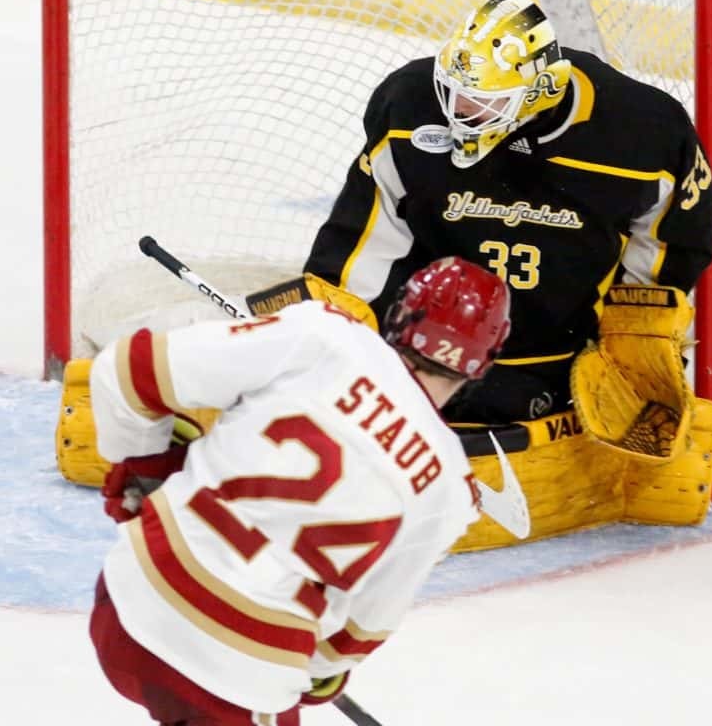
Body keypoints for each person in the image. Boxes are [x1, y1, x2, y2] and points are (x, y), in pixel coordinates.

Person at [87, 256, 510, 725]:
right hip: (234, 677)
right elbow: (357, 633)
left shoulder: (324, 334)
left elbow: (125, 372)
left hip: (126, 606)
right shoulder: (449, 489)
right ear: (484, 363)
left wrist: (145, 468)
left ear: (400, 312)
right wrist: (319, 673)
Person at [301, 0, 712, 428]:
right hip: (416, 352)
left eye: (482, 100)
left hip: (558, 368)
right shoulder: (409, 106)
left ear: (539, 92)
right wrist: (333, 334)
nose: (458, 109)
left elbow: (673, 239)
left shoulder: (643, 132)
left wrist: (638, 335)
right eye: (454, 90)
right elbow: (364, 237)